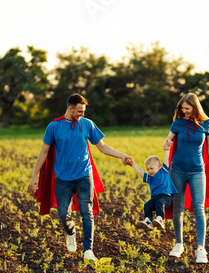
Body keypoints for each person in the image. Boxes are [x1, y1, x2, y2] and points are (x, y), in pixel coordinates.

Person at [27, 93, 134, 261]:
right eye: (79, 111)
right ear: (70, 108)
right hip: (62, 178)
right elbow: (44, 152)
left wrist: (122, 155)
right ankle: (70, 232)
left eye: (83, 111)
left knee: (87, 212)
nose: (82, 115)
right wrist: (34, 176)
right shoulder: (53, 127)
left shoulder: (87, 124)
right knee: (63, 213)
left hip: (84, 175)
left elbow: (102, 146)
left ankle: (88, 250)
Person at [163, 93, 209, 264]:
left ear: (195, 107)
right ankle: (179, 244)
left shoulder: (206, 123)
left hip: (198, 171)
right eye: (182, 109)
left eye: (187, 109)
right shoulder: (178, 123)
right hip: (178, 170)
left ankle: (201, 248)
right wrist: (165, 145)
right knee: (178, 208)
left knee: (199, 207)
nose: (184, 111)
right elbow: (168, 142)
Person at [131, 147, 177, 231]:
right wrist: (133, 164)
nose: (149, 171)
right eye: (148, 169)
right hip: (155, 198)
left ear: (159, 166)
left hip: (166, 197)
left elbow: (166, 158)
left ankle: (160, 220)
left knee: (160, 202)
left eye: (151, 168)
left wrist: (167, 149)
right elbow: (140, 171)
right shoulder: (149, 178)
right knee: (147, 205)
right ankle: (148, 222)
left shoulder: (164, 171)